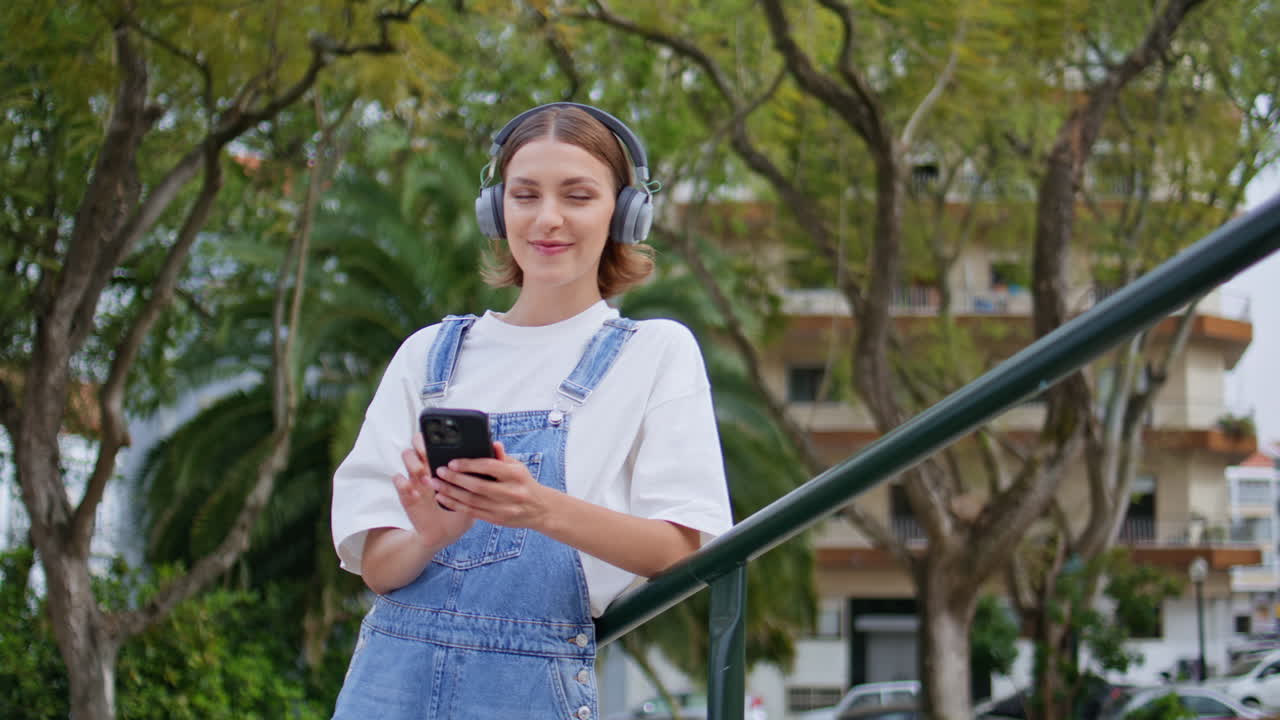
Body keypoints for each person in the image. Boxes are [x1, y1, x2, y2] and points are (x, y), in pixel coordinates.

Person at [330, 102, 733, 719]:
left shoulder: (656, 353)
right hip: (386, 687)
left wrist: (539, 507)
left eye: (577, 195)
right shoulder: (427, 356)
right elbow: (380, 570)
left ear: (625, 213)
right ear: (496, 209)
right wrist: (432, 535)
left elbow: (683, 548)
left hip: (530, 692)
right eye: (524, 195)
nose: (547, 219)